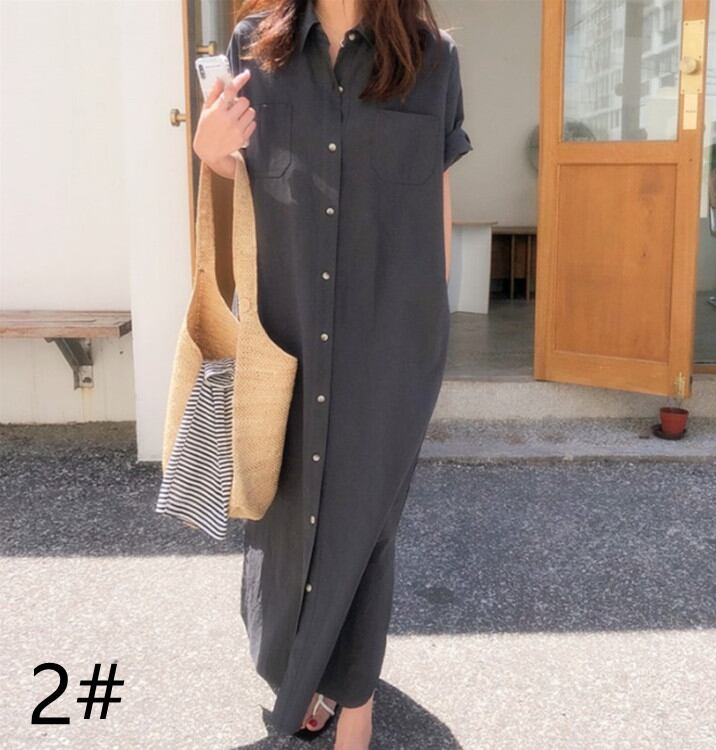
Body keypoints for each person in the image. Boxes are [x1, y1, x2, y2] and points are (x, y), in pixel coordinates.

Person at [193, 0, 472, 747]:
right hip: (286, 333)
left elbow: (437, 198)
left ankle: (356, 703)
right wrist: (209, 150)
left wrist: (431, 332)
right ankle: (303, 672)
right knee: (286, 513)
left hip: (390, 340)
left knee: (364, 523)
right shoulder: (258, 46)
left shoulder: (432, 58)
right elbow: (241, 177)